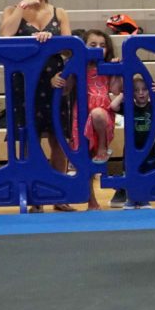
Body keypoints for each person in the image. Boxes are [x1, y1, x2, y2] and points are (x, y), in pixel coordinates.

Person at [0, 0, 75, 212]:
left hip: (55, 81)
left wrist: (52, 42)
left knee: (58, 138)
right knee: (29, 138)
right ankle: (34, 195)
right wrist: (23, 6)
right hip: (24, 83)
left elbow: (69, 49)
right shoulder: (11, 10)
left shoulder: (59, 12)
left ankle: (58, 193)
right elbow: (5, 36)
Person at [59, 29, 122, 210]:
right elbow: (65, 90)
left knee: (97, 114)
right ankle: (91, 200)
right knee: (84, 158)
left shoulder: (107, 66)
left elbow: (115, 90)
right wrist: (61, 77)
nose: (98, 49)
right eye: (92, 45)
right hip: (81, 114)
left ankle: (102, 147)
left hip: (102, 112)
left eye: (102, 45)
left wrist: (117, 70)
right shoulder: (78, 66)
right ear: (83, 46)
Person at [119, 73, 155, 209]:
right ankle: (131, 199)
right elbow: (113, 106)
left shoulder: (153, 107)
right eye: (136, 90)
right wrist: (124, 94)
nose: (141, 93)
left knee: (147, 173)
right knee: (130, 172)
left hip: (150, 149)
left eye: (145, 89)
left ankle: (144, 199)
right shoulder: (130, 108)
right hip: (132, 149)